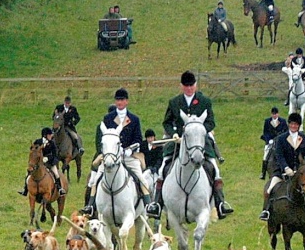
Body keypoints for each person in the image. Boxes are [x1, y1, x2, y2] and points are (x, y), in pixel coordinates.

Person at [149, 71, 233, 220]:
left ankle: (220, 204)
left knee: (215, 168)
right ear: (181, 86)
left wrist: (199, 131)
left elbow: (211, 122)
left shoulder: (204, 101)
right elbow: (167, 122)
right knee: (163, 168)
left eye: (192, 85)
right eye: (186, 86)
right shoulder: (174, 102)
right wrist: (173, 134)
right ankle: (157, 204)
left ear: (196, 85)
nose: (189, 88)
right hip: (177, 142)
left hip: (200, 142)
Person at [83, 88, 151, 217]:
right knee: (96, 179)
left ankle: (149, 205)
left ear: (127, 101)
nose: (120, 102)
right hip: (111, 156)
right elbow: (104, 138)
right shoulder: (108, 118)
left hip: (128, 155)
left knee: (141, 178)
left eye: (122, 100)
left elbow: (138, 138)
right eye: (118, 100)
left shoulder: (134, 119)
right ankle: (90, 206)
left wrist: (130, 150)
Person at [259, 112, 305, 221]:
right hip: (283, 171)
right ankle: (266, 211)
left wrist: (304, 166)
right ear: (289, 124)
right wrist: (286, 168)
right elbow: (279, 155)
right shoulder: (281, 139)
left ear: (299, 126)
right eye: (292, 124)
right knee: (269, 188)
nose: (293, 126)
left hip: (302, 172)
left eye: (296, 124)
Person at [19, 127, 65, 197]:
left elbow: (55, 154)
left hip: (49, 163)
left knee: (56, 174)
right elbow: (32, 149)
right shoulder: (38, 141)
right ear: (45, 135)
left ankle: (60, 189)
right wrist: (39, 148)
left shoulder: (52, 143)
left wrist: (47, 158)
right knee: (27, 174)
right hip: (38, 163)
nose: (51, 136)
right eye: (50, 135)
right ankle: (25, 190)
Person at [260, 107, 288, 180]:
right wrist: (269, 140)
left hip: (280, 141)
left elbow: (286, 132)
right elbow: (265, 132)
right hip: (270, 141)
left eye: (275, 114)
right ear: (271, 114)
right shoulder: (267, 121)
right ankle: (263, 172)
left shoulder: (283, 121)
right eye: (273, 114)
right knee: (265, 155)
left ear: (278, 114)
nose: (274, 115)